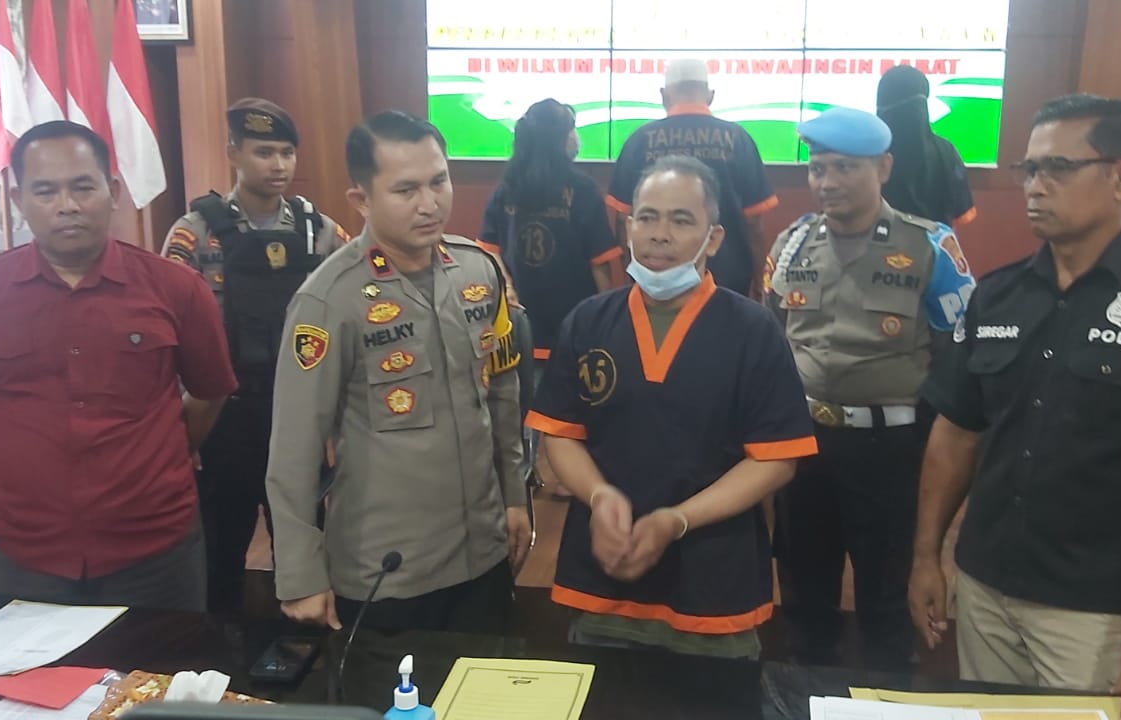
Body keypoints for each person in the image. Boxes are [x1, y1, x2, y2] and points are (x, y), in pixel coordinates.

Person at [908, 95, 1121, 720]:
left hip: (1096, 613)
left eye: (1058, 168)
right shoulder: (997, 295)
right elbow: (956, 435)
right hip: (985, 590)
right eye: (1029, 169)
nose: (1035, 186)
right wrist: (927, 556)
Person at [0, 121, 238, 611]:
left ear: (113, 192)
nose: (67, 205)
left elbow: (209, 391)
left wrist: (157, 454)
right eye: (45, 191)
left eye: (83, 187)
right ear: (18, 199)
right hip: (28, 550)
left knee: (160, 665)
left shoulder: (177, 288)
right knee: (27, 666)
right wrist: (23, 455)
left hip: (156, 548)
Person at [527, 155, 817, 659]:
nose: (660, 234)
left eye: (682, 220)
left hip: (713, 587)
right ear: (628, 228)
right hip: (604, 585)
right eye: (647, 217)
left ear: (714, 238)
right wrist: (598, 495)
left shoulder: (752, 330)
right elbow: (562, 433)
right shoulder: (588, 322)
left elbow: (775, 460)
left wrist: (676, 521)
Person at [266, 111, 529, 635]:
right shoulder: (329, 298)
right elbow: (294, 445)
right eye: (406, 190)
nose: (429, 204)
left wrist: (516, 497)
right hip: (386, 571)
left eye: (439, 181)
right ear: (361, 200)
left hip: (483, 553)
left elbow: (502, 396)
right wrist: (299, 573)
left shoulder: (479, 271)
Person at [767, 107, 975, 671]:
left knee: (888, 599)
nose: (827, 182)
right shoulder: (791, 243)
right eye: (817, 168)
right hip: (805, 445)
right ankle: (806, 692)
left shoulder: (930, 246)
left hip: (891, 450)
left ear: (883, 168)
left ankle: (887, 694)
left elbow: (958, 358)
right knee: (804, 591)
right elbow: (772, 336)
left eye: (844, 167)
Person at [160, 97, 349, 614]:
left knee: (305, 545)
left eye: (287, 152)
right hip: (224, 415)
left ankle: (306, 643)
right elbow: (171, 332)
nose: (278, 165)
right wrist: (184, 427)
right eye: (264, 152)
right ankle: (217, 647)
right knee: (221, 548)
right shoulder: (195, 232)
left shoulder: (320, 231)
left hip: (299, 414)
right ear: (234, 153)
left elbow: (355, 305)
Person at [608, 59, 778, 298]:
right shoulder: (738, 139)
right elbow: (754, 225)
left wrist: (632, 277)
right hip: (728, 278)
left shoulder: (639, 141)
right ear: (710, 96)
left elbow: (622, 220)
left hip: (655, 273)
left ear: (664, 95)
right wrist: (759, 281)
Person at [478, 98, 620, 362]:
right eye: (572, 129)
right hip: (572, 327)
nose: (576, 137)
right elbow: (599, 264)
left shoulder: (507, 187)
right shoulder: (584, 190)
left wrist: (507, 287)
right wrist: (607, 319)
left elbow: (489, 250)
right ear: (561, 139)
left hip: (521, 326)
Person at [877, 65, 976, 228]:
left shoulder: (867, 153)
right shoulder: (946, 150)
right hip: (933, 242)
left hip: (875, 242)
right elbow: (963, 214)